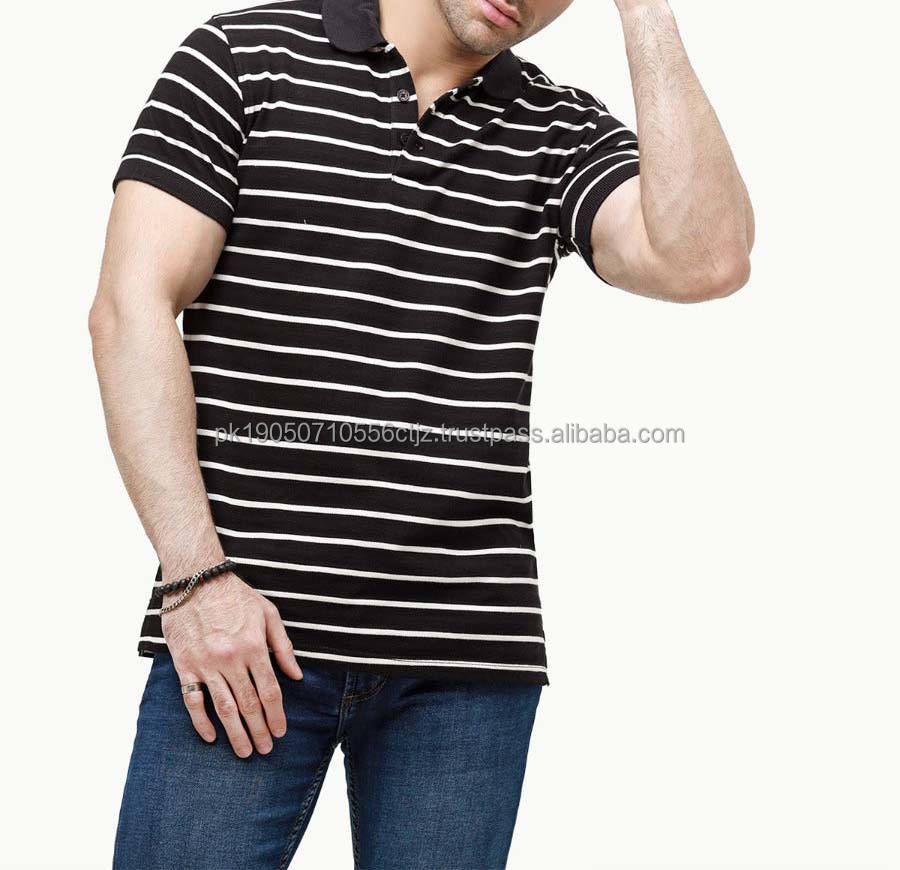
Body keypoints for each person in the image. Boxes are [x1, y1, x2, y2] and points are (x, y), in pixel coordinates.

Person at [90, 0, 754, 866]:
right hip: (240, 635)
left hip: (466, 668)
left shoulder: (557, 129)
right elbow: (130, 310)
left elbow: (706, 259)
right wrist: (195, 580)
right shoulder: (244, 59)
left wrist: (646, 10)